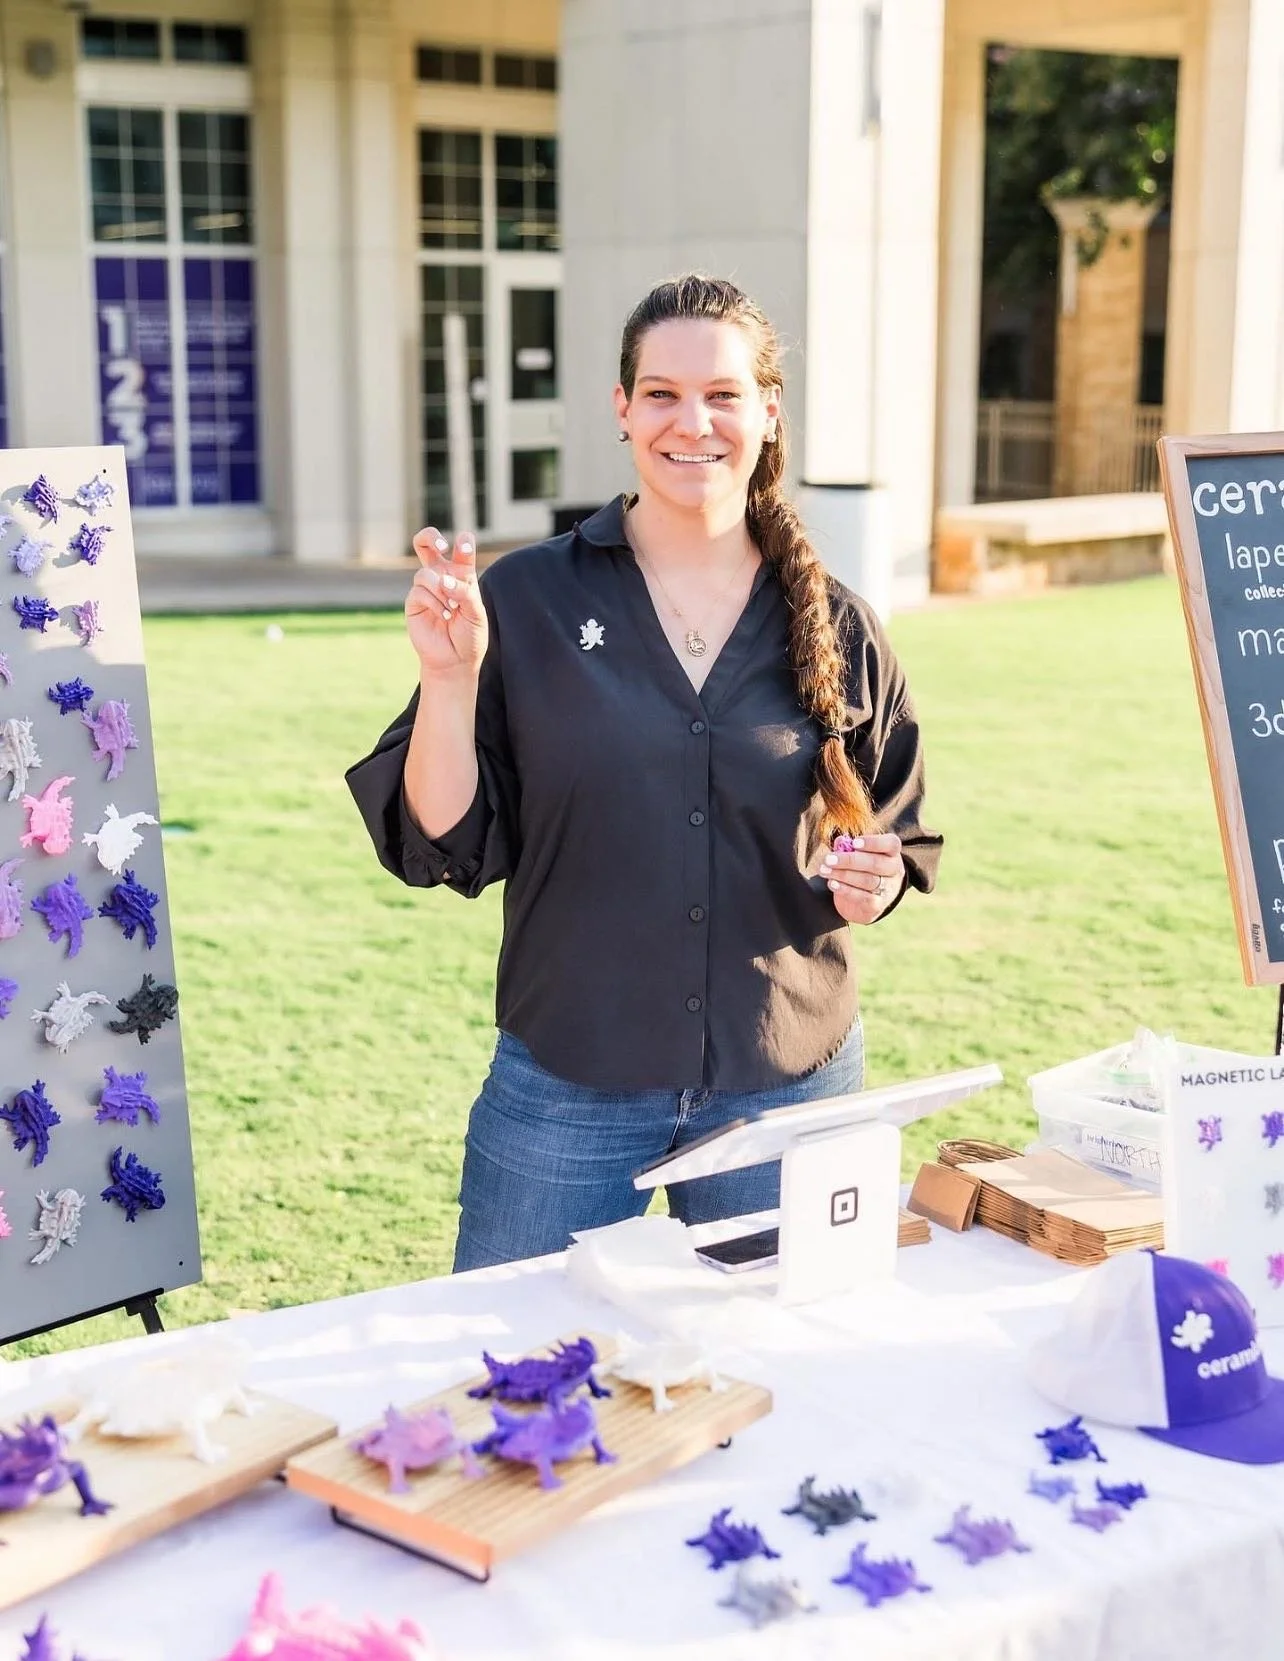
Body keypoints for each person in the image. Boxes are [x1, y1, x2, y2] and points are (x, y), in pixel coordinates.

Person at [347, 274, 942, 1272]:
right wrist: (448, 682)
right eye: (661, 393)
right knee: (516, 1373)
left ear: (766, 410)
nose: (691, 422)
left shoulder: (837, 619)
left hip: (786, 1087)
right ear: (621, 408)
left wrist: (877, 884)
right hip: (569, 1085)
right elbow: (442, 839)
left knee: (790, 1380)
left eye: (721, 394)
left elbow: (893, 832)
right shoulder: (527, 600)